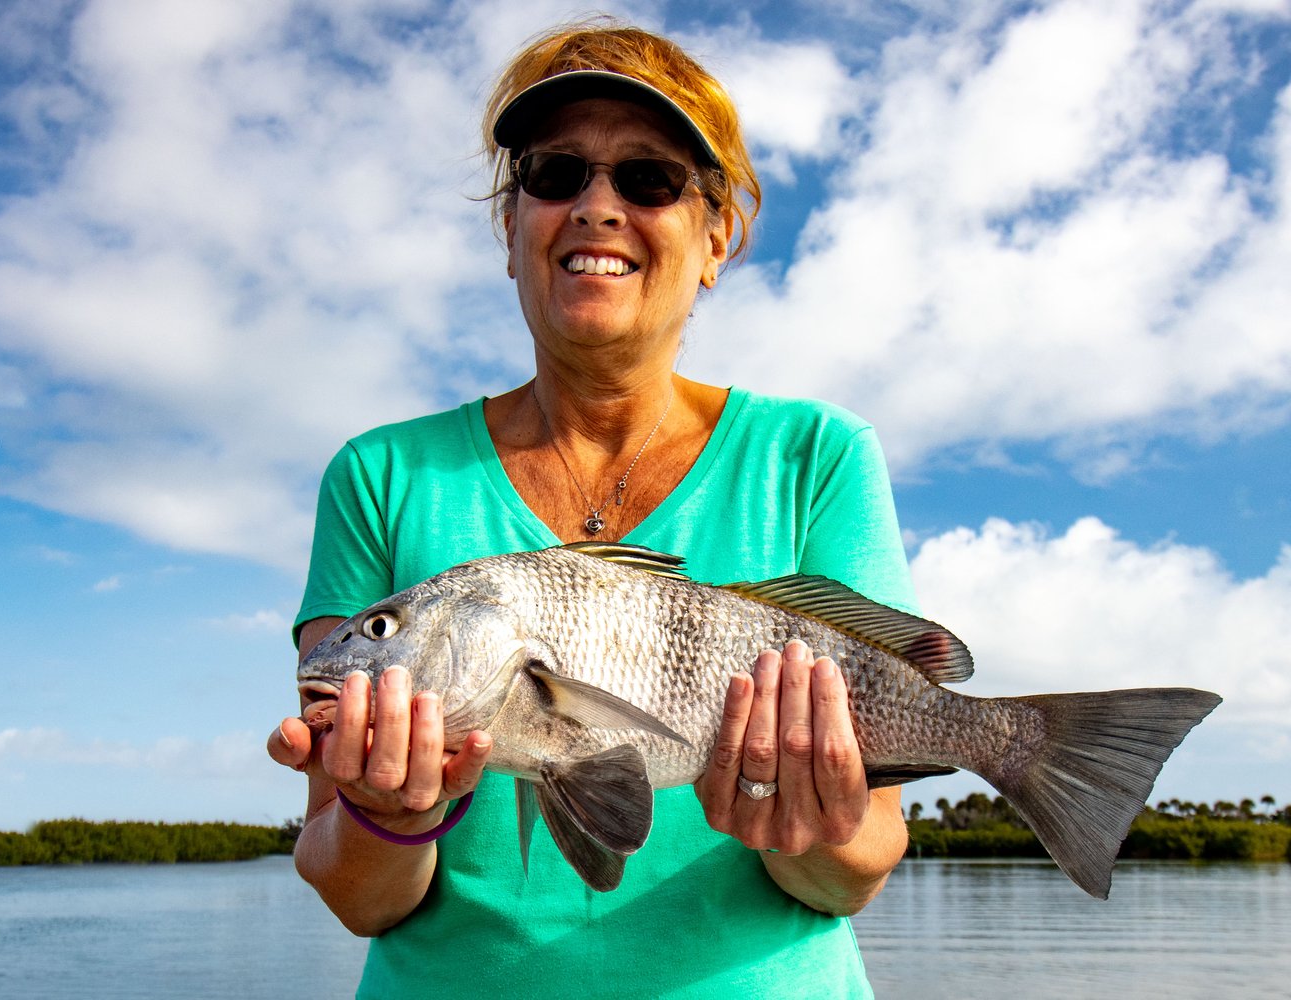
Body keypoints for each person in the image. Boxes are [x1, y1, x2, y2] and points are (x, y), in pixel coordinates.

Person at [267, 20, 914, 999]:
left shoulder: (818, 456)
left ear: (717, 235)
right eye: (556, 173)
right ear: (513, 224)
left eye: (648, 179)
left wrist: (810, 823)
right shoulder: (379, 473)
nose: (596, 208)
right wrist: (385, 812)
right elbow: (363, 899)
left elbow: (854, 869)